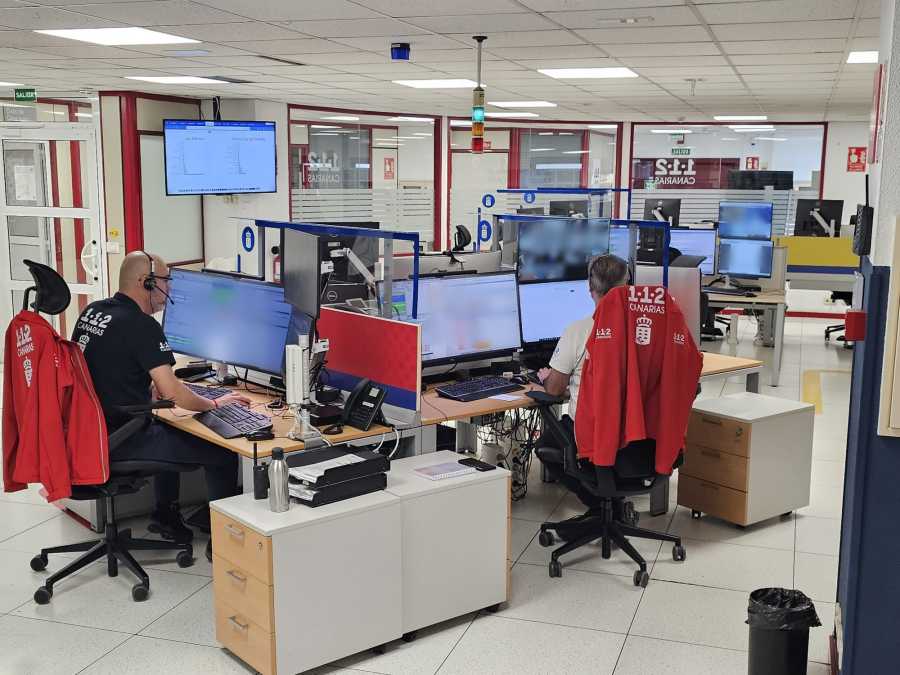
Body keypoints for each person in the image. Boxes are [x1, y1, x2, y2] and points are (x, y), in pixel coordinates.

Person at [72, 251, 249, 561]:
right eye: (166, 281)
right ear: (146, 282)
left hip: (88, 434)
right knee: (221, 453)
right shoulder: (141, 324)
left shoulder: (94, 311)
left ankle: (165, 515)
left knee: (169, 426)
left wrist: (143, 386)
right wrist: (214, 402)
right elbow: (173, 393)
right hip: (120, 439)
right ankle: (222, 540)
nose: (170, 288)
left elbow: (106, 367)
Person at [537, 253, 630, 419]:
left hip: (587, 429)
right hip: (630, 428)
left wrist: (546, 378)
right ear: (626, 288)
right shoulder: (642, 330)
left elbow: (554, 389)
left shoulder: (578, 331)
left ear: (590, 289)